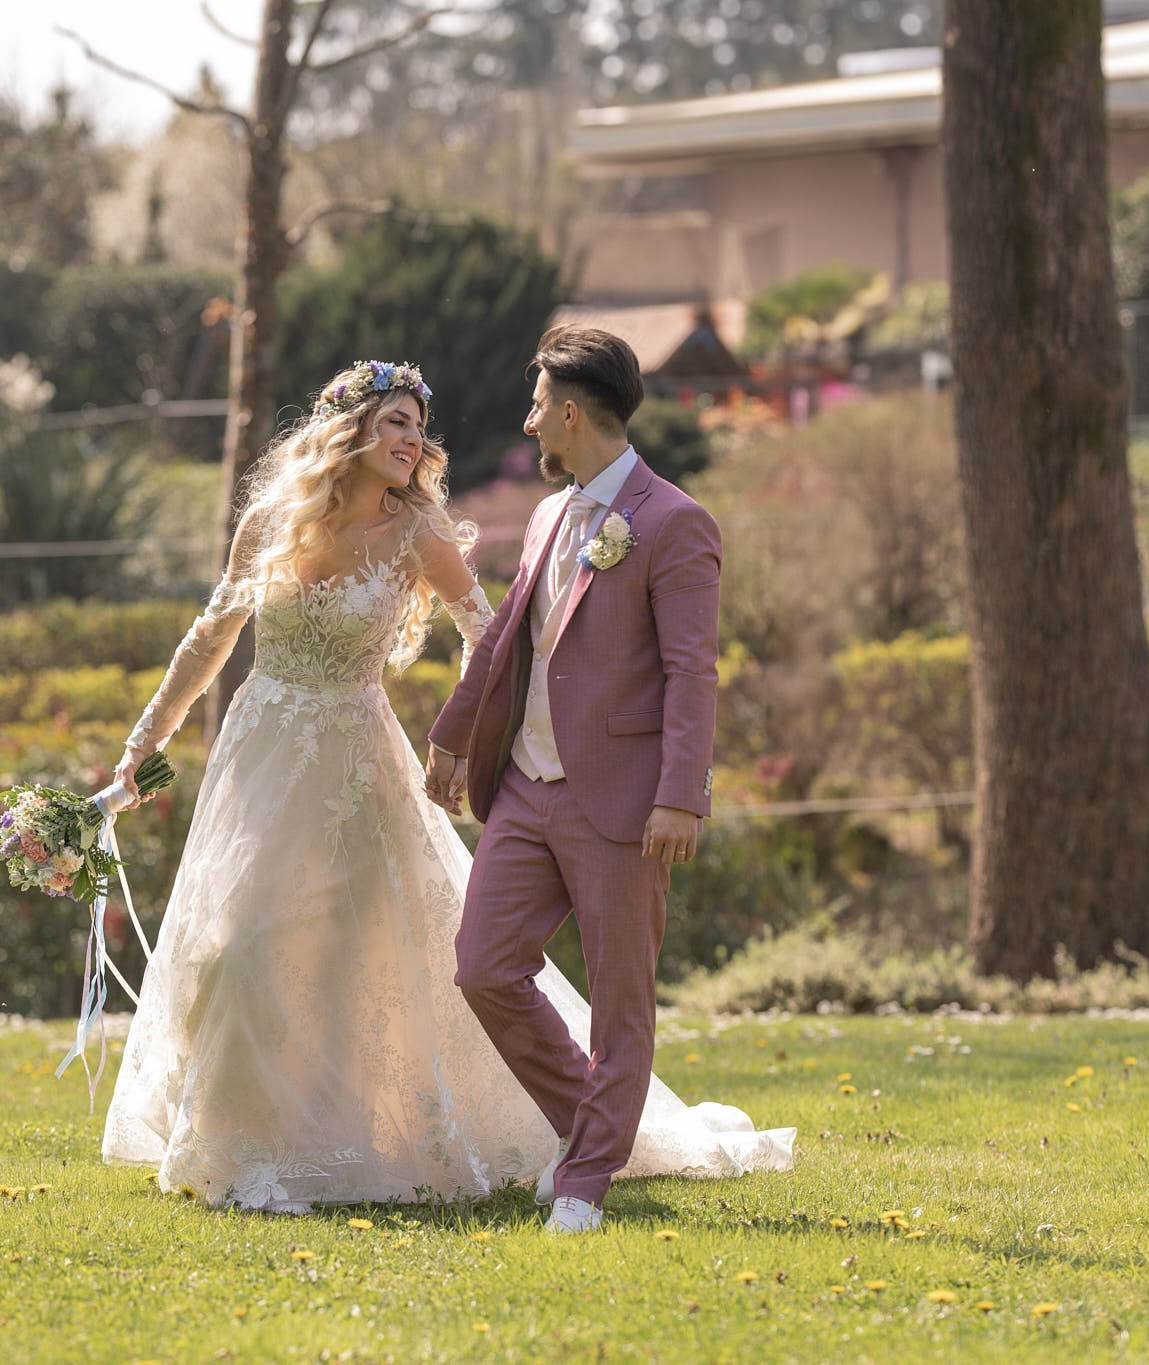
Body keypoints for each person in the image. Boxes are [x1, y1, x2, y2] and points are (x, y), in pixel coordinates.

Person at [102, 357, 791, 1215]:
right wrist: (142, 748)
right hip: (260, 757)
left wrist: (464, 738)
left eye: (418, 426)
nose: (413, 439)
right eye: (396, 421)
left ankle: (383, 1147)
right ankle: (245, 1148)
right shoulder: (269, 524)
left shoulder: (418, 529)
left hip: (356, 765)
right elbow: (211, 635)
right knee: (240, 948)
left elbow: (492, 635)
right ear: (347, 429)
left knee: (342, 959)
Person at [425, 325, 766, 1233]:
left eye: (537, 403)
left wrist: (680, 794)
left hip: (622, 800)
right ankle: (597, 1129)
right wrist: (454, 734)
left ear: (571, 414)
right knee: (484, 967)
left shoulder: (675, 522)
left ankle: (584, 1178)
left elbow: (695, 671)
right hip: (527, 788)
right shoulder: (547, 515)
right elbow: (507, 637)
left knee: (621, 1000)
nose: (528, 417)